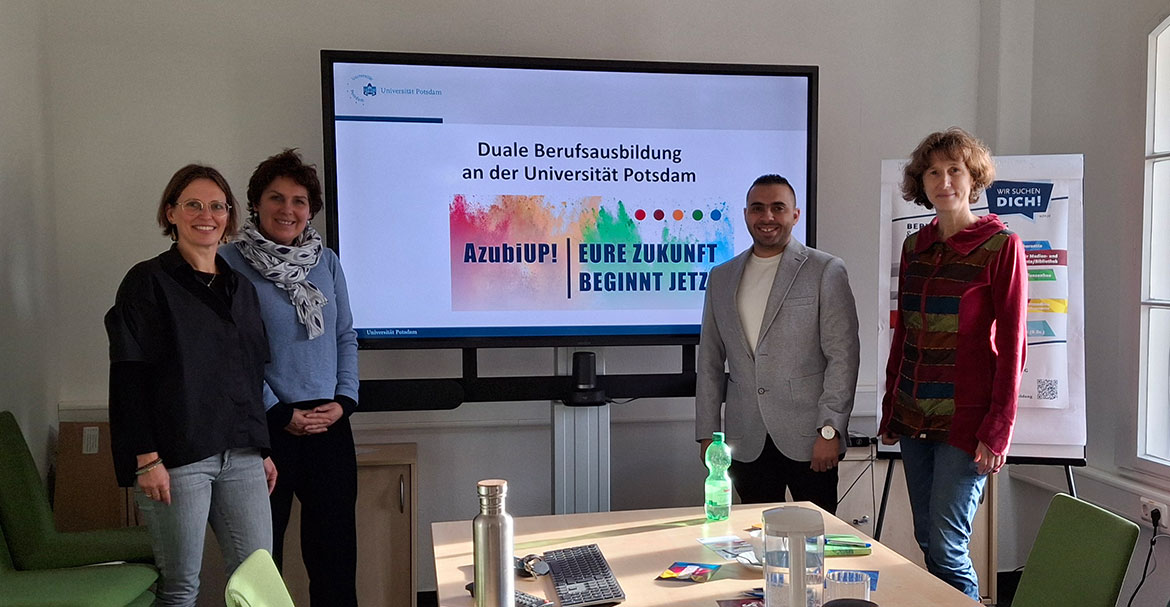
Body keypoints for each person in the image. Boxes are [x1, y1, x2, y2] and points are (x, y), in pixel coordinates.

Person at [105, 165, 277, 606]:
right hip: (177, 458)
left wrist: (261, 448)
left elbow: (248, 374)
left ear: (229, 215)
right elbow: (128, 375)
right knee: (181, 586)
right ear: (171, 213)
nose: (207, 215)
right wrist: (146, 458)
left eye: (217, 206)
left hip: (241, 454)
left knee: (258, 583)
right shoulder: (147, 282)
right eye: (194, 205)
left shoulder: (241, 288)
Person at [878, 128, 1027, 600]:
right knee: (927, 537)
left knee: (947, 546)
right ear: (921, 183)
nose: (944, 181)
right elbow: (904, 333)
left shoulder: (1001, 246)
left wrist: (998, 429)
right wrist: (890, 408)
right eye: (933, 172)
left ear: (973, 178)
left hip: (966, 423)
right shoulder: (915, 248)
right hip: (913, 414)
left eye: (955, 170)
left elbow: (1013, 345)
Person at [222, 149, 360, 605]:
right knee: (263, 563)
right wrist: (278, 412)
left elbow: (344, 335)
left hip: (329, 425)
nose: (288, 209)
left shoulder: (327, 262)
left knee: (335, 562)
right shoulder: (228, 263)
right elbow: (231, 353)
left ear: (310, 209)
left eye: (299, 200)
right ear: (255, 203)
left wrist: (345, 401)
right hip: (264, 432)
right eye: (276, 198)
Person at [695, 174, 860, 514]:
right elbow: (710, 361)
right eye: (757, 208)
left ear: (795, 215)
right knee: (751, 535)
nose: (767, 217)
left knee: (816, 534)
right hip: (745, 439)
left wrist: (830, 430)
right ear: (745, 214)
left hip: (811, 439)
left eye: (778, 208)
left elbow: (843, 356)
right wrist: (707, 434)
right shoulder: (721, 276)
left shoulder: (825, 269)